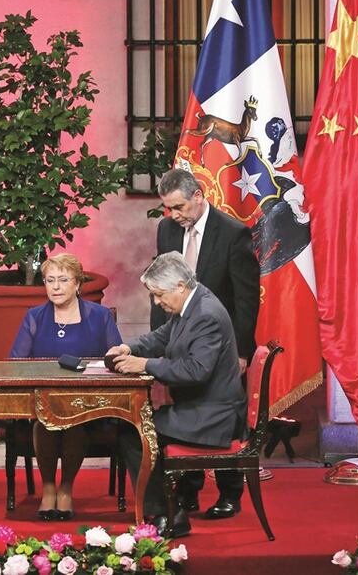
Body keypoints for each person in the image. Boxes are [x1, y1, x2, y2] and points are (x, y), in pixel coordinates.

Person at [106, 252, 246, 538]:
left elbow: (196, 370)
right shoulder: (194, 303)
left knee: (133, 432)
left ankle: (168, 515)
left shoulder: (206, 315)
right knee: (136, 425)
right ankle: (171, 504)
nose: (157, 302)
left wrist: (144, 365)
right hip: (200, 408)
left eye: (159, 295)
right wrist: (129, 348)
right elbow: (162, 336)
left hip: (213, 416)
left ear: (180, 286)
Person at [152, 167, 260, 519]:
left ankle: (230, 493)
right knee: (186, 410)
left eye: (179, 207)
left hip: (223, 345)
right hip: (180, 339)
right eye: (169, 208)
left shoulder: (232, 233)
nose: (174, 215)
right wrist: (157, 346)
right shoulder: (167, 229)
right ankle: (188, 492)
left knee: (222, 412)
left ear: (198, 196)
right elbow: (162, 288)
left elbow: (246, 298)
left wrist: (241, 351)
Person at [9, 253, 122, 521]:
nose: (56, 287)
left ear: (77, 284)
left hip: (89, 403)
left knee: (73, 421)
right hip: (43, 401)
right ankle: (49, 488)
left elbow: (116, 358)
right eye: (50, 280)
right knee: (47, 421)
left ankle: (66, 488)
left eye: (63, 280)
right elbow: (16, 362)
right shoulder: (34, 316)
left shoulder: (100, 316)